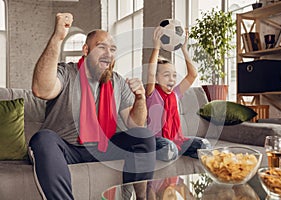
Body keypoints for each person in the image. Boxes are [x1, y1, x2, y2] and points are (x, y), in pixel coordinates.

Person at [29, 13, 155, 200]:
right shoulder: (68, 72)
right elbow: (41, 89)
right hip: (67, 148)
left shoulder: (117, 82)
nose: (108, 53)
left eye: (112, 49)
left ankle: (142, 198)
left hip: (102, 148)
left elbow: (136, 125)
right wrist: (57, 38)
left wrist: (140, 98)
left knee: (144, 136)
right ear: (86, 50)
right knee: (43, 139)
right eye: (101, 47)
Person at [145, 26, 211, 161]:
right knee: (169, 148)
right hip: (157, 141)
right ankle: (170, 152)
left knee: (204, 145)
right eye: (166, 75)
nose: (172, 79)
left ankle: (178, 151)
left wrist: (184, 48)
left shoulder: (175, 94)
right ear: (157, 78)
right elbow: (151, 72)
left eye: (174, 75)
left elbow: (192, 75)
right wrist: (156, 47)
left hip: (177, 140)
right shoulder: (152, 93)